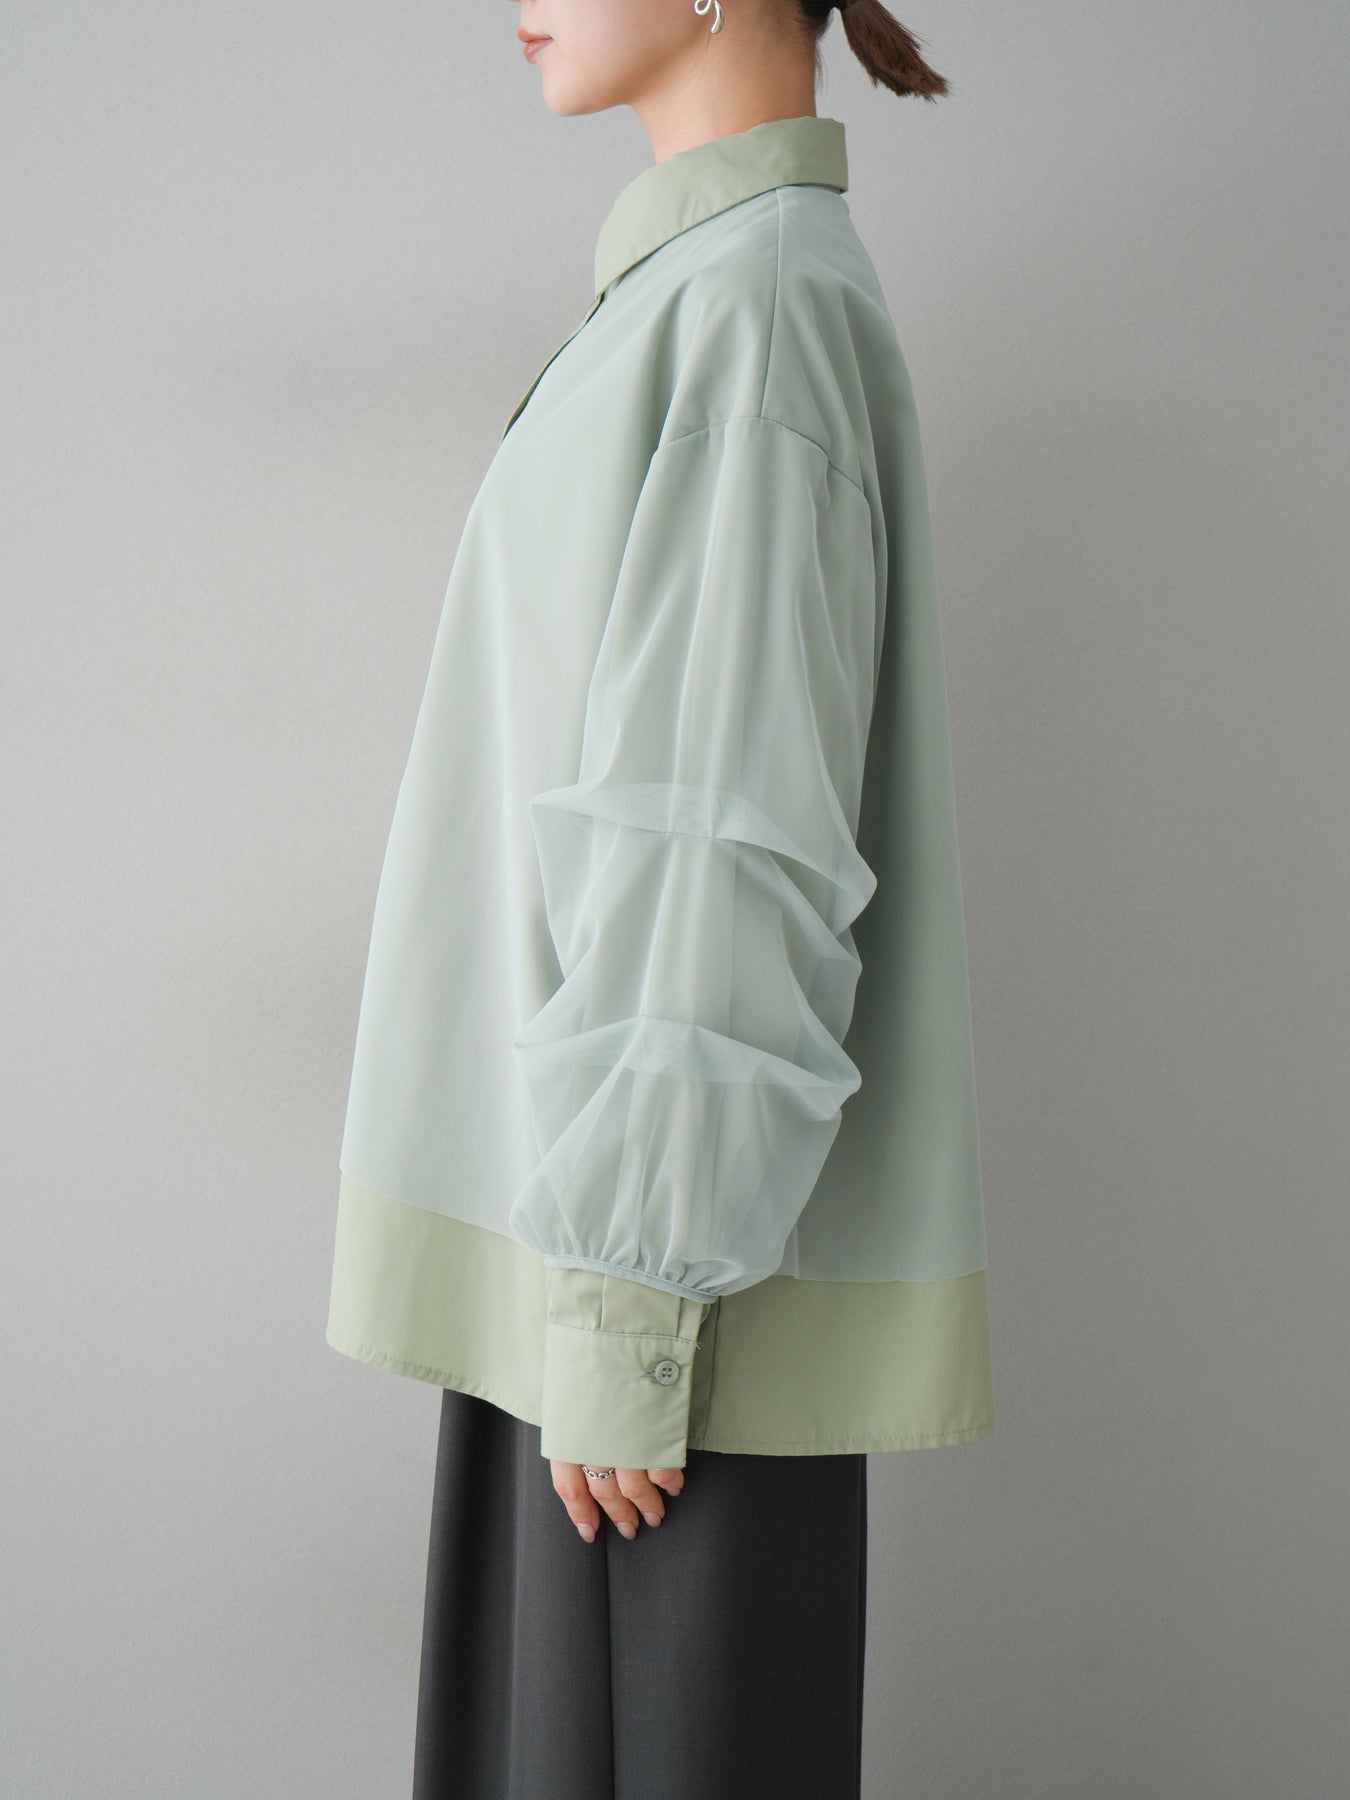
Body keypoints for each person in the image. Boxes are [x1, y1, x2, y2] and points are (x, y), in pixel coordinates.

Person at [324, 3, 995, 1794]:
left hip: (657, 1314)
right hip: (595, 1261)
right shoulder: (700, 294)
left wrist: (630, 1310)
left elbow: (722, 838)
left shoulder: (750, 311)